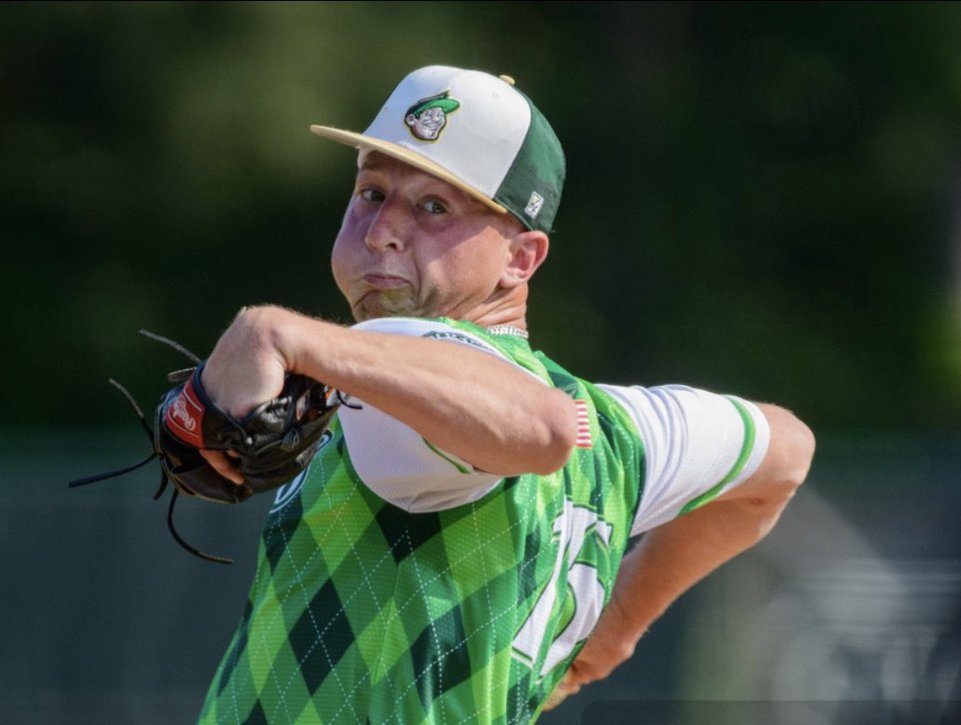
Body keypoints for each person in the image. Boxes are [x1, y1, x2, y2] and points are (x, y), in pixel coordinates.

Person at [193, 65, 814, 724]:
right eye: (372, 191)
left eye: (435, 206)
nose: (381, 231)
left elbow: (540, 427)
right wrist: (620, 621)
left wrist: (278, 332)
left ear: (521, 259)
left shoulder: (402, 381)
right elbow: (786, 453)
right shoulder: (620, 427)